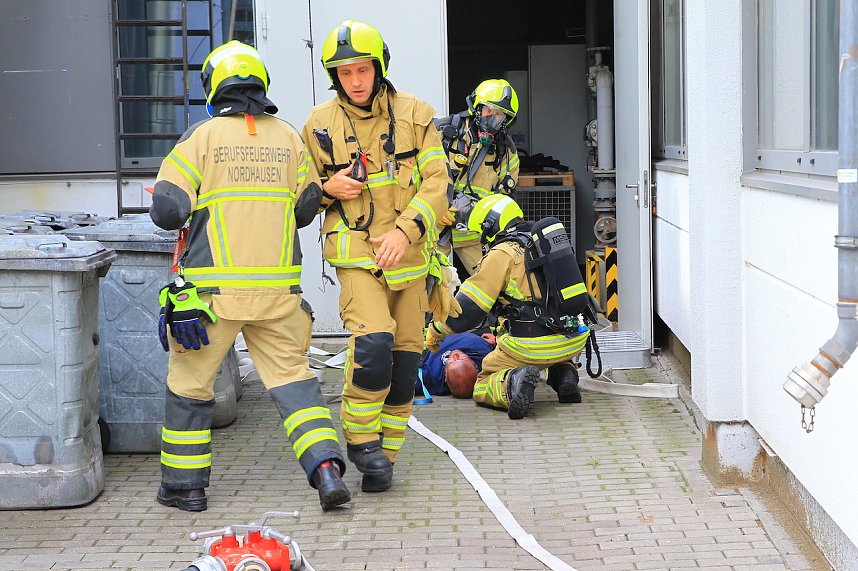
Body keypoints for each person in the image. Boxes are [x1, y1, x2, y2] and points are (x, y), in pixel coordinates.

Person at [149, 41, 350, 512]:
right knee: (295, 383)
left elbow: (167, 210)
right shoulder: (288, 139)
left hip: (213, 298)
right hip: (278, 298)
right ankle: (325, 472)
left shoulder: (199, 138)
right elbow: (304, 209)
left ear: (213, 84)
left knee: (189, 387)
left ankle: (185, 489)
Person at [301, 20, 449, 492]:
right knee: (372, 346)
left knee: (406, 364)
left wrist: (406, 231)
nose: (356, 81)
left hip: (408, 258)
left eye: (362, 69)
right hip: (356, 257)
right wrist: (327, 188)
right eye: (344, 73)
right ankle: (361, 443)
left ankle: (385, 458)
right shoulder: (318, 125)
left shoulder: (417, 115)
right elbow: (299, 198)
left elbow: (437, 184)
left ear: (378, 67)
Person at [424, 194, 591, 420]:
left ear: (490, 225)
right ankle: (565, 373)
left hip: (530, 347)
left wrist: (436, 330)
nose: (483, 241)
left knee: (482, 383)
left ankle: (513, 382)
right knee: (554, 354)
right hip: (572, 341)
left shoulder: (502, 254)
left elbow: (467, 312)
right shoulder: (543, 243)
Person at [435, 79, 521, 276]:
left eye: (499, 114)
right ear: (477, 107)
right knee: (428, 284)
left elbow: (506, 200)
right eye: (489, 110)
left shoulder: (506, 152)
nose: (492, 118)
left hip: (473, 233)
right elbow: (415, 175)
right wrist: (435, 206)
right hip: (435, 226)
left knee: (494, 281)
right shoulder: (446, 132)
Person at [418, 332, 495, 398]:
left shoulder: (431, 376)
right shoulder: (488, 361)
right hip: (475, 330)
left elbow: (408, 382)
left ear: (446, 375)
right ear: (475, 367)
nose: (456, 355)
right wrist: (496, 340)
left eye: (452, 362)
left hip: (440, 332)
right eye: (463, 358)